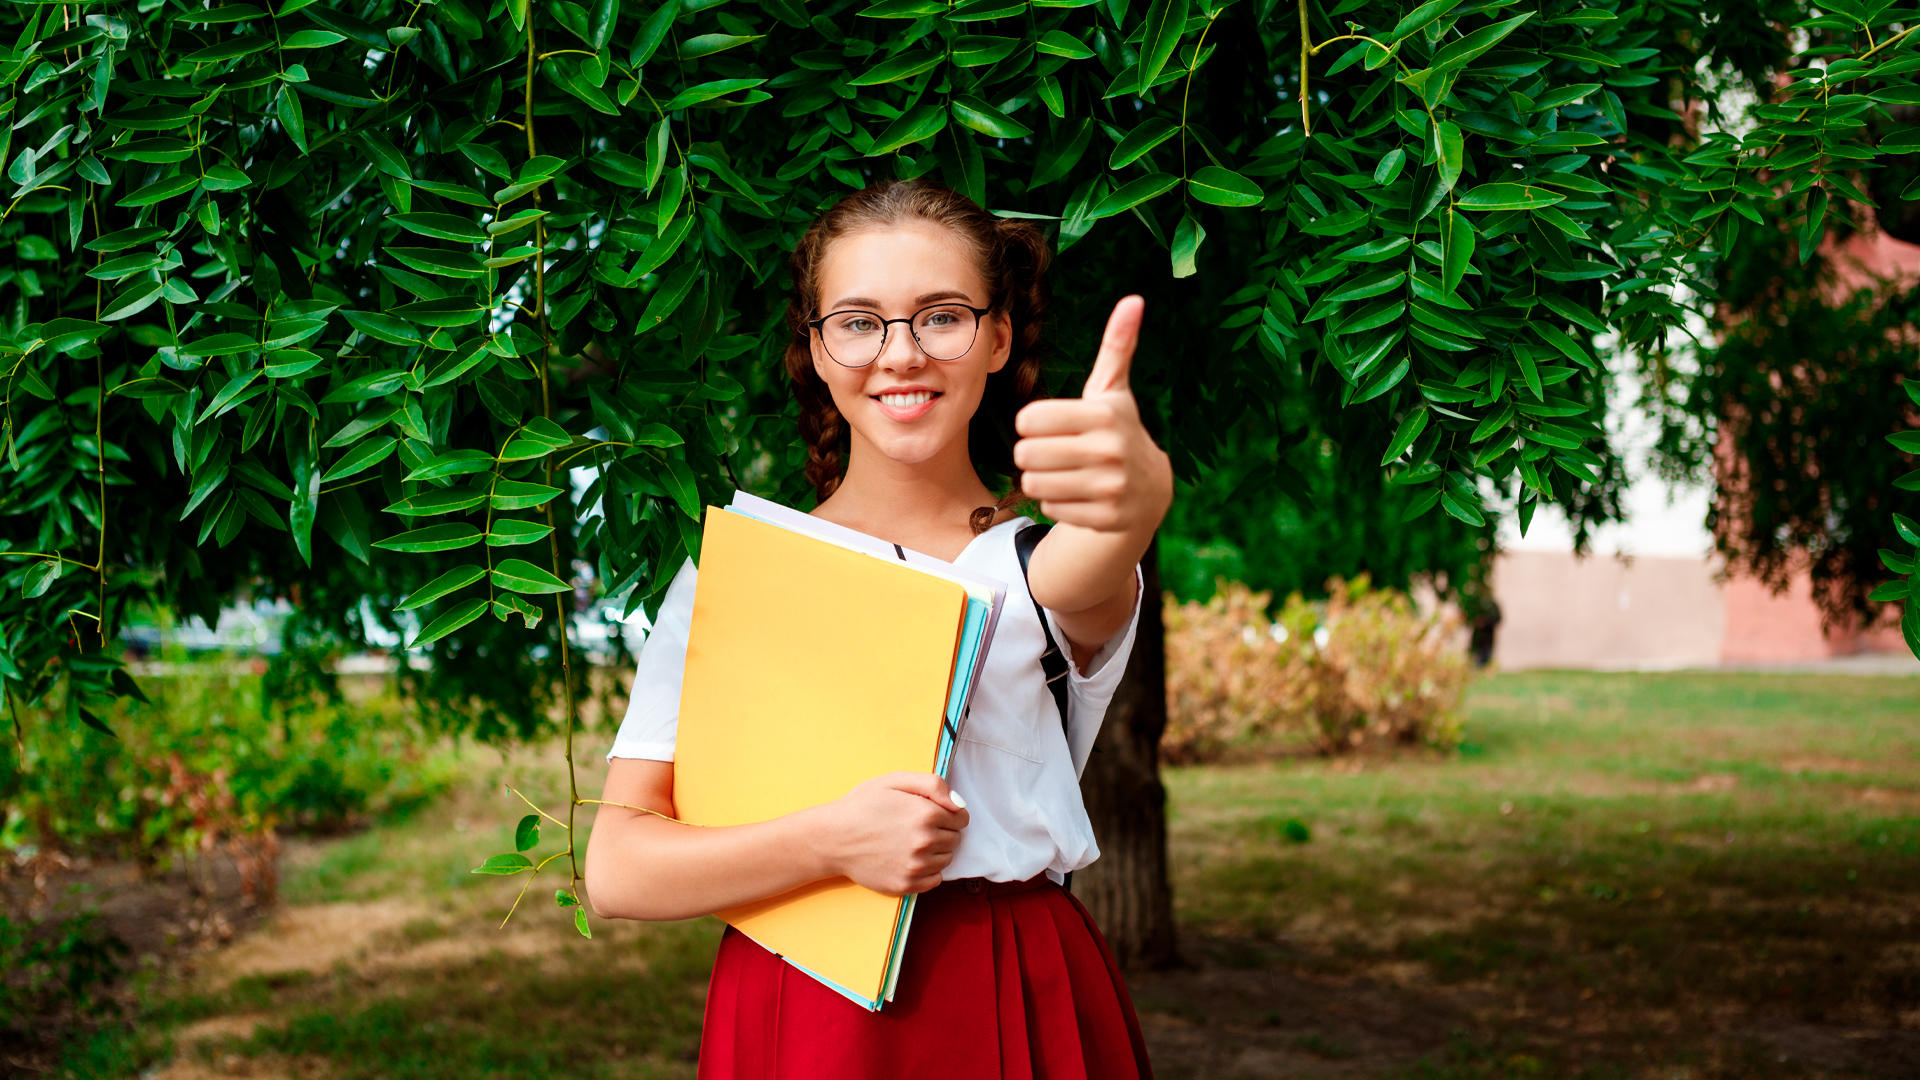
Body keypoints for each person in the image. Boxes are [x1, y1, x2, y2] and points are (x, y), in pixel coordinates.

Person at [583, 178, 1172, 1079]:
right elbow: (620, 869)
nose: (901, 355)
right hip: (794, 999)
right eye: (859, 322)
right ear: (816, 349)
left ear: (999, 337)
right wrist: (829, 841)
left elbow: (1087, 568)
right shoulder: (733, 577)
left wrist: (1130, 503)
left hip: (1009, 983)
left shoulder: (1033, 570)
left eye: (942, 317)